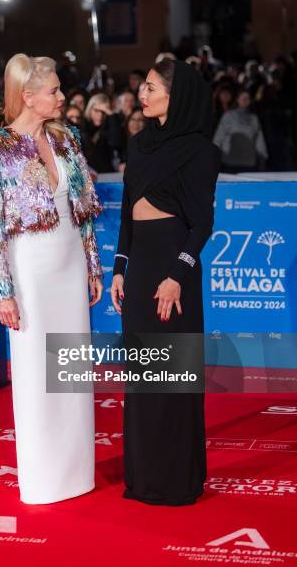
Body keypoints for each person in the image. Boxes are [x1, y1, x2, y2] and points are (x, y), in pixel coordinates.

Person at [0, 53, 103, 504]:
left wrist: (92, 265)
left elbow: (83, 212)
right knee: (34, 372)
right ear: (27, 97)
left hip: (69, 265)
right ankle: (44, 479)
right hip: (29, 270)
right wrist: (2, 290)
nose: (62, 96)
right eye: (54, 91)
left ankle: (76, 472)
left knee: (69, 370)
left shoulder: (67, 139)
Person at [111, 58, 221, 506]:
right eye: (144, 86)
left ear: (176, 97)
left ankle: (175, 481)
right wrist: (119, 268)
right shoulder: (138, 145)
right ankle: (142, 478)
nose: (143, 93)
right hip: (139, 270)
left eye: (152, 87)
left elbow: (202, 225)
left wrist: (177, 275)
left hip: (175, 266)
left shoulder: (200, 151)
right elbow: (126, 214)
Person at [213, 88, 268, 172]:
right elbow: (219, 137)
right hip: (230, 161)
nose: (245, 100)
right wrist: (214, 157)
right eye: (243, 98)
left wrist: (263, 157)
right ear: (237, 100)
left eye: (247, 98)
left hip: (248, 162)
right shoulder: (228, 116)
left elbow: (259, 139)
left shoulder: (254, 118)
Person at [83, 93, 123, 172]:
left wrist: (111, 114)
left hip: (106, 174)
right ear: (90, 109)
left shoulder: (110, 127)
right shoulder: (82, 126)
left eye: (104, 112)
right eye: (97, 110)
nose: (100, 115)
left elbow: (116, 142)